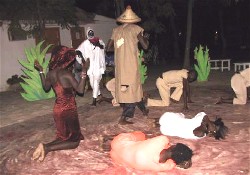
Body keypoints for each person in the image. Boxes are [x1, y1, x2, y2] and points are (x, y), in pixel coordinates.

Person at [32, 45, 88, 162]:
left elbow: (45, 87)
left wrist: (41, 71)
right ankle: (47, 147)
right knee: (74, 142)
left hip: (57, 108)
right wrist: (84, 71)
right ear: (64, 59)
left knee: (63, 136)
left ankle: (45, 146)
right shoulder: (66, 73)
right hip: (68, 108)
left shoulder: (51, 74)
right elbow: (80, 90)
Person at [105, 5, 149, 125]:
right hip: (131, 65)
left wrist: (120, 49)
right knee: (131, 89)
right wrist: (145, 38)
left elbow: (108, 48)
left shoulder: (116, 30)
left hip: (120, 66)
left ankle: (144, 109)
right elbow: (145, 46)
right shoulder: (136, 29)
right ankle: (125, 117)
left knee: (130, 88)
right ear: (133, 19)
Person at [109, 131, 193, 171]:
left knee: (141, 135)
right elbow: (174, 162)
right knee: (140, 144)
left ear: (173, 146)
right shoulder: (165, 167)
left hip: (118, 142)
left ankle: (111, 138)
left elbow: (167, 147)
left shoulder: (162, 140)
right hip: (116, 158)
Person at [76, 27, 106, 106]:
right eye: (89, 33)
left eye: (92, 32)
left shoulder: (99, 40)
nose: (91, 34)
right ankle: (100, 95)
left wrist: (98, 44)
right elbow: (78, 51)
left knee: (96, 82)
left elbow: (103, 47)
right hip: (90, 66)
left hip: (98, 66)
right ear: (87, 34)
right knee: (92, 84)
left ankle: (94, 101)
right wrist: (82, 60)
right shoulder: (85, 43)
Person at [159, 112, 228, 140]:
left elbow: (195, 131)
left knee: (162, 126)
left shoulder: (201, 134)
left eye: (215, 129)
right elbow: (203, 114)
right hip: (170, 118)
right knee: (164, 118)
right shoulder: (204, 118)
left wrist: (206, 125)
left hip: (167, 130)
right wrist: (209, 124)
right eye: (215, 125)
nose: (213, 127)